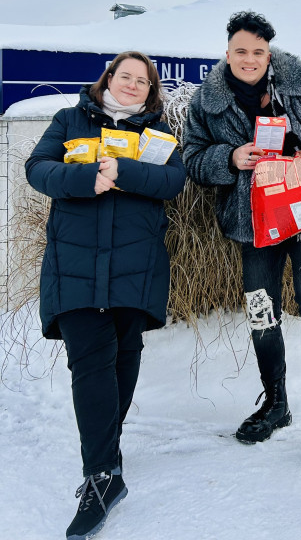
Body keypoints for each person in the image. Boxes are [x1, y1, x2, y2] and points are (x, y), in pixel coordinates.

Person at [182, 10, 301, 467]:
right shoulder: (206, 103)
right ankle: (277, 402)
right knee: (261, 310)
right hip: (253, 222)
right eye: (241, 51)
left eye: (258, 52)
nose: (250, 60)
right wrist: (230, 157)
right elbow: (191, 157)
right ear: (227, 52)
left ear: (270, 52)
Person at [25, 52, 185, 540]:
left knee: (124, 358)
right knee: (90, 361)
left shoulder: (156, 134)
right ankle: (100, 477)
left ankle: (106, 453)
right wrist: (85, 178)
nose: (133, 85)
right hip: (75, 264)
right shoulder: (70, 120)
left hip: (135, 266)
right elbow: (38, 168)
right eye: (125, 76)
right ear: (108, 79)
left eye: (143, 80)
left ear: (151, 89)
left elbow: (172, 181)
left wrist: (125, 171)